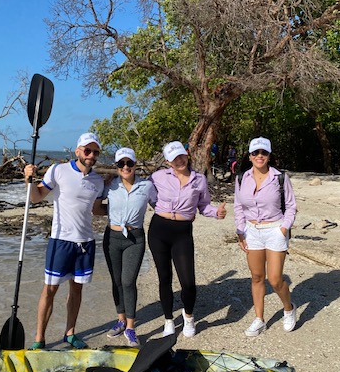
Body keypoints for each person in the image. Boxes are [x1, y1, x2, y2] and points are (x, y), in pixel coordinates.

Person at [24, 132, 105, 350]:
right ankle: (39, 339)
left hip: (86, 242)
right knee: (49, 290)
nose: (91, 155)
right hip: (60, 241)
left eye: (95, 152)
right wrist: (29, 180)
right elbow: (36, 197)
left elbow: (97, 210)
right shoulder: (59, 170)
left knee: (77, 290)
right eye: (87, 150)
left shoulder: (97, 181)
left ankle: (70, 334)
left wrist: (125, 209)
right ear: (77, 151)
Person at [148, 141, 227, 338]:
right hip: (159, 229)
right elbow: (145, 194)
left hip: (182, 232)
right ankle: (168, 320)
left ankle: (189, 316)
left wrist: (216, 213)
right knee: (164, 278)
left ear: (187, 155)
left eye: (182, 156)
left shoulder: (199, 180)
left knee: (188, 282)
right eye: (174, 158)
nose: (180, 160)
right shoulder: (157, 177)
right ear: (168, 161)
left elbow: (204, 206)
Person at [233, 136, 298, 337]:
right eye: (255, 153)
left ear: (269, 156)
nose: (259, 156)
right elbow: (238, 206)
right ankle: (259, 319)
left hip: (275, 229)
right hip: (251, 231)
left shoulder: (280, 177)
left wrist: (284, 229)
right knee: (257, 276)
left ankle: (289, 308)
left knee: (276, 279)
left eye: (264, 153)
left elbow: (292, 205)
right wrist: (240, 231)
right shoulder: (241, 178)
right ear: (250, 156)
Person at [100, 147, 157, 347]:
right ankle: (121, 320)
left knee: (128, 281)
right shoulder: (110, 185)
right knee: (116, 281)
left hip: (135, 237)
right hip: (112, 237)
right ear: (116, 167)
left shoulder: (147, 186)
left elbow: (159, 206)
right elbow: (96, 205)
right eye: (121, 164)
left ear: (135, 165)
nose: (125, 167)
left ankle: (131, 328)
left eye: (129, 163)